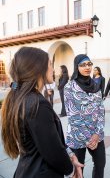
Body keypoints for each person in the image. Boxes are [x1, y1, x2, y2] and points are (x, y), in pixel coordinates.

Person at [1, 47, 83, 178]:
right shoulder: (38, 104)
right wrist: (70, 168)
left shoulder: (24, 98)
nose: (53, 69)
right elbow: (53, 152)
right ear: (38, 69)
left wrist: (71, 155)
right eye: (50, 64)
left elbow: (50, 140)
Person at [64, 54, 106, 178]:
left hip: (96, 135)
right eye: (83, 65)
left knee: (100, 164)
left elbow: (100, 110)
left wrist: (97, 134)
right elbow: (73, 116)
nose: (87, 67)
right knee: (78, 169)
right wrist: (89, 138)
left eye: (89, 64)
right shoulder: (69, 87)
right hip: (77, 136)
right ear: (76, 67)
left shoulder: (96, 85)